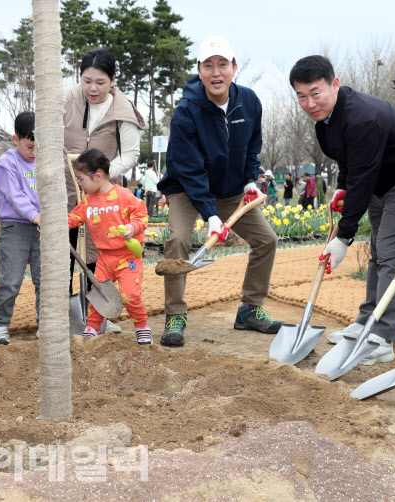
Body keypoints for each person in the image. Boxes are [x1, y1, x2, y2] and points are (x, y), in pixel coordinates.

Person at [157, 35, 282, 347]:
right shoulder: (187, 111)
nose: (216, 72)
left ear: (234, 68)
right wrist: (210, 214)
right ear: (199, 71)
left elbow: (253, 148)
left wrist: (251, 181)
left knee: (266, 240)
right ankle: (175, 314)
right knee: (179, 240)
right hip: (186, 189)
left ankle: (250, 310)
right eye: (208, 65)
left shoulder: (250, 102)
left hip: (230, 190)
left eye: (222, 65)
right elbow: (189, 169)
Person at [290, 54, 395, 366]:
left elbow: (363, 177)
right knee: (379, 252)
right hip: (380, 184)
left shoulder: (361, 116)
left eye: (315, 92)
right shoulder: (325, 122)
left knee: (392, 255)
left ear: (334, 85)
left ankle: (383, 336)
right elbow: (348, 160)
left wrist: (344, 238)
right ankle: (367, 319)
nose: (310, 103)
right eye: (301, 96)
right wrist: (342, 186)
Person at [63, 48, 145, 335]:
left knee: (100, 257)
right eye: (86, 81)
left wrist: (101, 178)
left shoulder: (122, 110)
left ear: (112, 81)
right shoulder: (66, 100)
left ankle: (97, 316)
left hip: (104, 200)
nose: (92, 88)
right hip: (66, 190)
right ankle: (61, 317)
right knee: (64, 255)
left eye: (100, 82)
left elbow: (131, 153)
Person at [67, 149, 151, 344]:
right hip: (104, 258)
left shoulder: (124, 195)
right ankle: (93, 327)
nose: (79, 184)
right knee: (98, 292)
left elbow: (141, 215)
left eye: (81, 179)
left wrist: (133, 226)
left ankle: (141, 325)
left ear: (97, 177)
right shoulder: (87, 201)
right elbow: (73, 219)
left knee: (129, 294)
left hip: (128, 257)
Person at [0, 112, 40, 345]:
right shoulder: (6, 163)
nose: (35, 151)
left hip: (43, 229)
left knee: (45, 280)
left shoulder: (45, 160)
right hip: (15, 227)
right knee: (10, 280)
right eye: (29, 146)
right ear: (15, 139)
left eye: (39, 146)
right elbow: (15, 195)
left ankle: (47, 323)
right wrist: (35, 215)